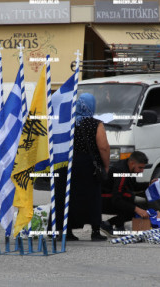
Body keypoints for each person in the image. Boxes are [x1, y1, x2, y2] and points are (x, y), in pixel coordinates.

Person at [48, 93, 110, 241]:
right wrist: (106, 166)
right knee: (92, 197)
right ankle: (95, 232)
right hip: (87, 166)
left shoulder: (65, 123)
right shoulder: (95, 124)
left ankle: (66, 230)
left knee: (65, 196)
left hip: (64, 164)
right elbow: (103, 148)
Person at [100, 151, 158, 237]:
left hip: (112, 198)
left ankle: (109, 224)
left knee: (139, 207)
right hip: (103, 200)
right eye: (140, 168)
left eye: (143, 168)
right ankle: (110, 225)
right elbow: (117, 200)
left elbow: (133, 186)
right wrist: (136, 209)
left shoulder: (128, 168)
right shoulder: (121, 172)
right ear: (132, 163)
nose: (141, 171)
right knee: (137, 209)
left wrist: (149, 184)